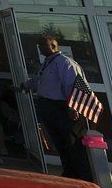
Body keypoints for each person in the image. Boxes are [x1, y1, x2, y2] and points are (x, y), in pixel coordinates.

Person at [25, 36, 91, 180]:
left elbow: (72, 85)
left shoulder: (65, 63)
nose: (41, 48)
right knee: (60, 142)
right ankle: (69, 172)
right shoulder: (48, 63)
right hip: (49, 106)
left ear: (54, 46)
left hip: (62, 108)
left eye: (44, 45)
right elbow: (40, 80)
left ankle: (83, 175)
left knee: (71, 142)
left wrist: (73, 107)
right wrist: (27, 85)